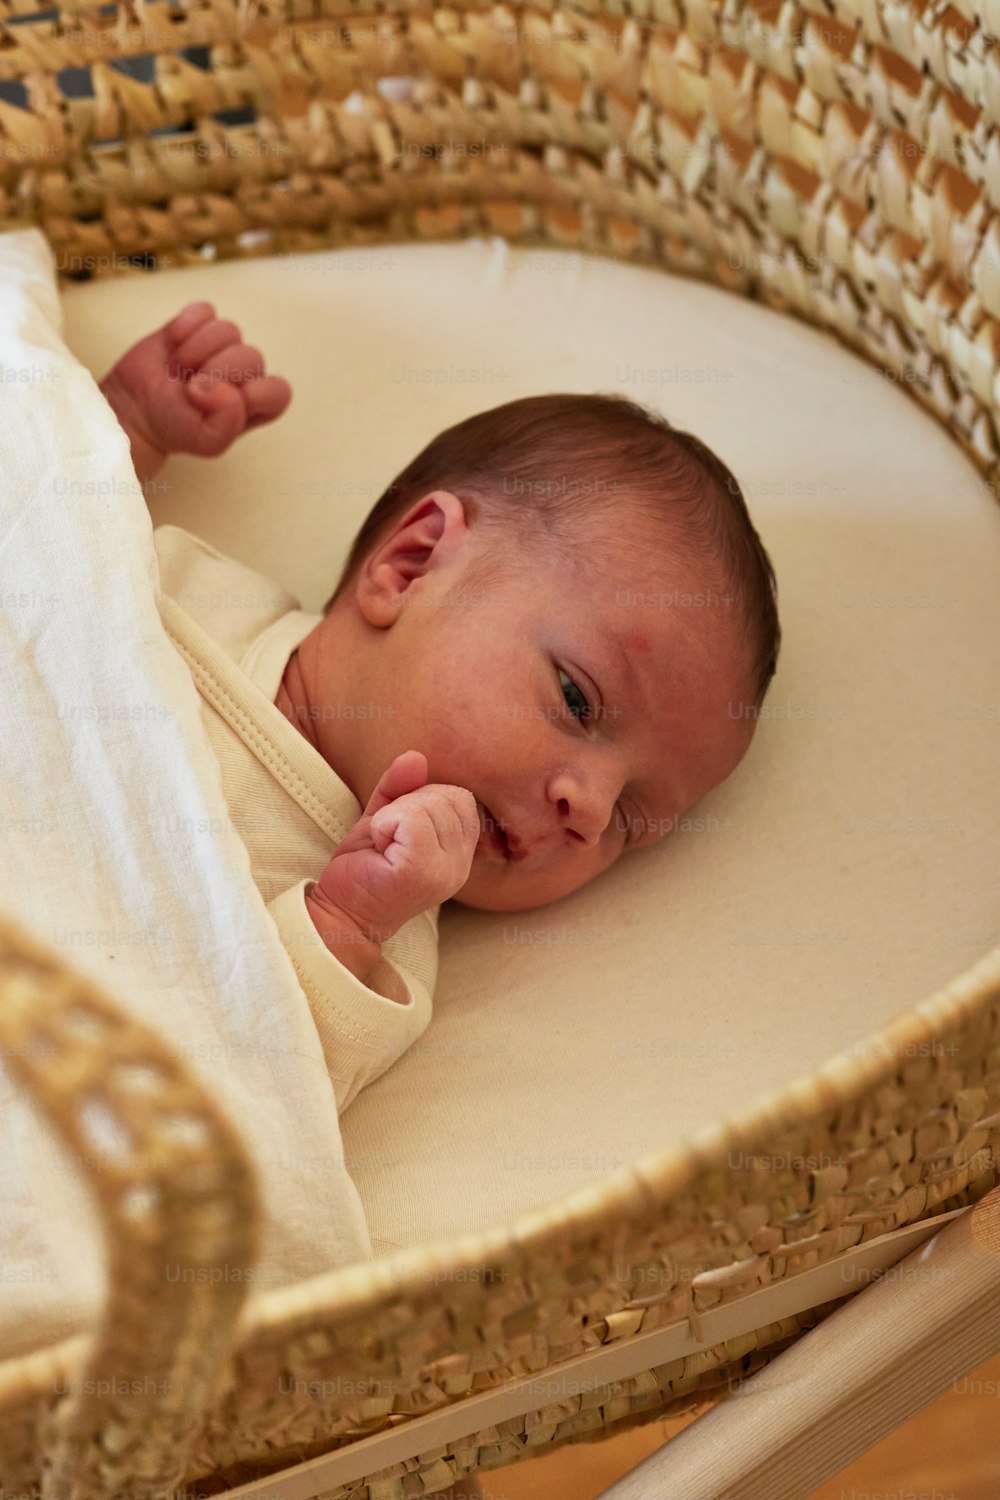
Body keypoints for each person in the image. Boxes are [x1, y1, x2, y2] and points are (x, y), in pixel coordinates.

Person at [99, 299, 780, 1112]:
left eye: (632, 822)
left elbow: (242, 1095)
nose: (589, 812)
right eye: (577, 697)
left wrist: (342, 926)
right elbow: (37, 535)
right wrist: (126, 427)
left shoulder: (388, 950)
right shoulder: (184, 591)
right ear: (413, 563)